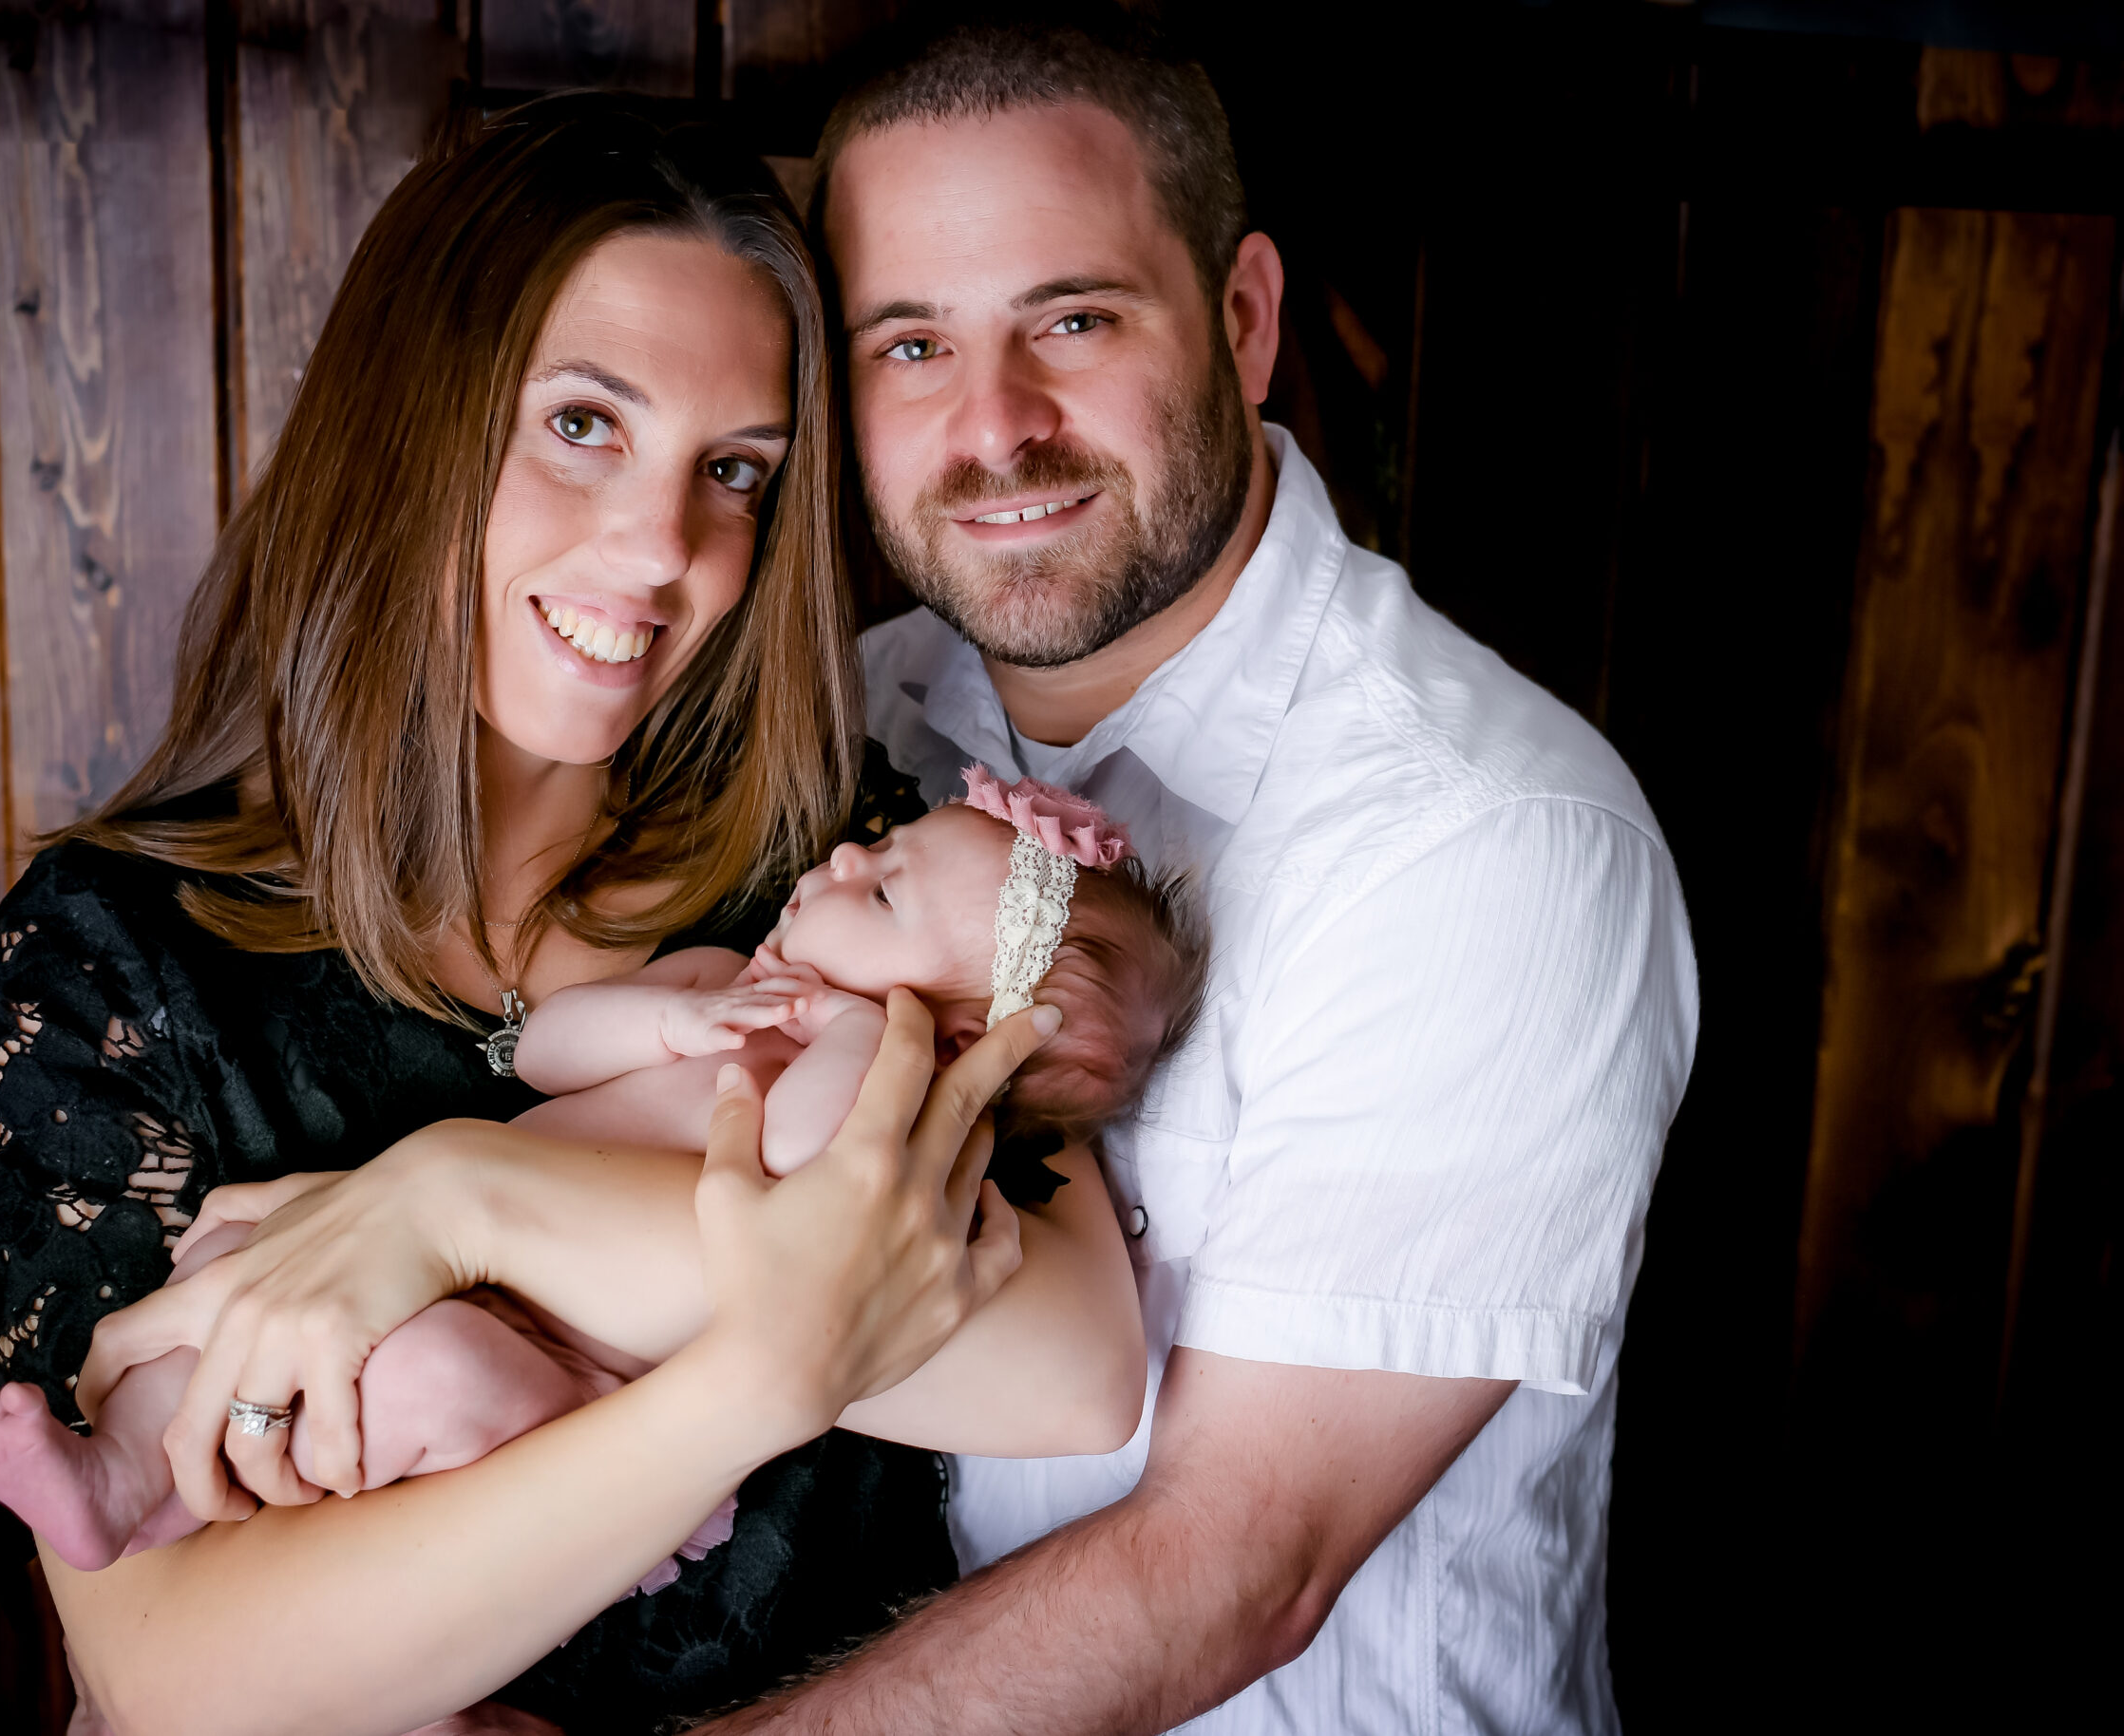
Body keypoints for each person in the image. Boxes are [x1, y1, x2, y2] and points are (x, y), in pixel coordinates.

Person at [0, 92, 1143, 1736]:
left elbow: (1069, 1363)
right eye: (584, 423)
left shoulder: (837, 871)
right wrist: (756, 1383)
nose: (664, 550)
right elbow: (178, 1677)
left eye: (733, 471)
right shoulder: (110, 959)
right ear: (411, 424)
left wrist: (465, 1199)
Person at [669, 10, 1699, 1733]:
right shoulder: (846, 725)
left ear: (1243, 319)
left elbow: (1236, 1570)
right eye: (908, 345)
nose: (994, 429)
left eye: (1071, 319)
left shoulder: (1482, 840)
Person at [0, 775, 1197, 1598]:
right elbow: (543, 1053)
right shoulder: (720, 981)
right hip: (436, 1264)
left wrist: (846, 1034)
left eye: (879, 890)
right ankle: (120, 1478)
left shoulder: (886, 1093)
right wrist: (671, 1022)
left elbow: (803, 1182)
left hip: (569, 1379)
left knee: (433, 1386)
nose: (832, 861)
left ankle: (400, 1681)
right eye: (876, 844)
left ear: (961, 1028)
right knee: (237, 1273)